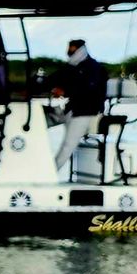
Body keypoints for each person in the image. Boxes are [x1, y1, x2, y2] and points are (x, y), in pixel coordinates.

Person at [53, 37, 109, 177]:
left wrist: (65, 91)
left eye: (72, 50)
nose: (69, 53)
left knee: (68, 145)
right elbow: (55, 78)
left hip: (87, 111)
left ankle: (51, 172)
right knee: (42, 118)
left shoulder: (93, 68)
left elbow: (88, 89)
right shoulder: (72, 67)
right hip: (72, 109)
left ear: (80, 50)